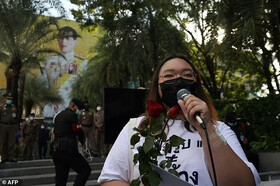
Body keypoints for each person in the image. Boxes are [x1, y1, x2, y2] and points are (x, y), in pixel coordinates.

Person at [97, 54, 261, 186]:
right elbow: (111, 178)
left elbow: (243, 183)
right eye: (169, 76)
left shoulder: (219, 129)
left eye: (187, 75)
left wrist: (208, 129)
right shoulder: (135, 128)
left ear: (196, 83)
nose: (178, 80)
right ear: (158, 86)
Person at [42, 26, 88, 118]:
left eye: (67, 38)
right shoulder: (48, 61)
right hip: (51, 110)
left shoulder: (83, 63)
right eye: (60, 38)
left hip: (71, 109)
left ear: (75, 42)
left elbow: (85, 89)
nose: (63, 41)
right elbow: (43, 87)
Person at [52, 98, 91, 186]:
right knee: (85, 170)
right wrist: (83, 143)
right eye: (79, 109)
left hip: (57, 150)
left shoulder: (59, 115)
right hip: (68, 149)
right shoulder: (72, 116)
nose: (79, 112)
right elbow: (78, 131)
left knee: (61, 179)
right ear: (73, 106)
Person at [0, 93, 18, 163]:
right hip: (3, 126)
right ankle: (3, 157)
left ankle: (11, 157)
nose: (9, 100)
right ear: (4, 99)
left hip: (12, 126)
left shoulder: (13, 107)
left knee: (11, 142)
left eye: (10, 99)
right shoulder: (1, 107)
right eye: (8, 99)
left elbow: (16, 117)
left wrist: (16, 126)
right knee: (3, 142)